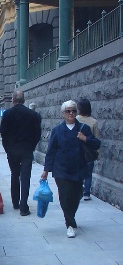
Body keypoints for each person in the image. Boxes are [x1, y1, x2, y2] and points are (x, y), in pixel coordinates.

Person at [41, 100, 101, 238]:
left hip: (79, 168)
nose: (71, 113)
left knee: (76, 195)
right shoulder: (57, 130)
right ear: (63, 114)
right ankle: (69, 224)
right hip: (61, 169)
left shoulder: (83, 128)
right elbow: (51, 151)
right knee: (65, 196)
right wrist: (46, 170)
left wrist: (85, 139)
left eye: (73, 110)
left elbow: (97, 143)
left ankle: (71, 217)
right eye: (68, 111)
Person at [0, 90, 42, 215]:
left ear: (13, 100)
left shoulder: (7, 114)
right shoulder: (32, 115)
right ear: (23, 100)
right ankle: (24, 206)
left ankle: (15, 202)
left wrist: (7, 148)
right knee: (25, 177)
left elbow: (3, 133)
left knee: (14, 174)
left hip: (12, 149)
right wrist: (32, 146)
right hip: (27, 149)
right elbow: (37, 133)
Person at [76, 98, 99, 201]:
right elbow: (96, 138)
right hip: (89, 152)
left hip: (77, 151)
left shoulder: (75, 120)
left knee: (78, 171)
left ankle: (79, 190)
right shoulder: (93, 121)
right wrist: (98, 153)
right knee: (88, 173)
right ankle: (86, 193)